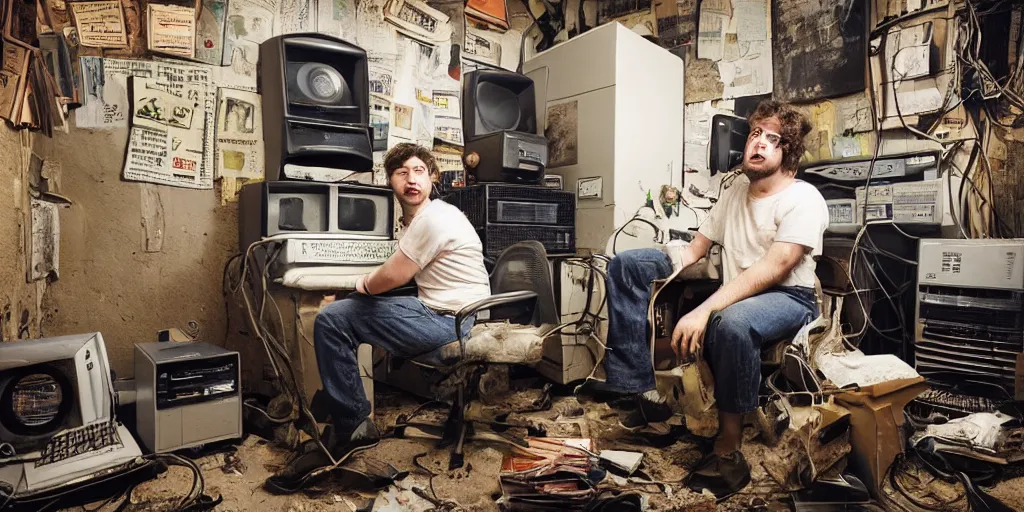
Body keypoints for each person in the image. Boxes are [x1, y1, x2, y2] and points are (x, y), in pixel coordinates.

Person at [596, 100, 828, 500]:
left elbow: (776, 266)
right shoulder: (736, 191)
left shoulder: (804, 199)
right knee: (627, 264)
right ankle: (643, 395)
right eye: (756, 134)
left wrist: (705, 310)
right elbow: (696, 250)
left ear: (787, 153)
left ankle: (729, 446)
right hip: (739, 292)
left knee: (730, 322)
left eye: (773, 140)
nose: (759, 144)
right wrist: (662, 269)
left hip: (790, 297)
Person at [266, 143, 492, 493]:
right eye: (402, 173)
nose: (411, 180)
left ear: (432, 177)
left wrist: (355, 289)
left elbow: (392, 277)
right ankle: (346, 413)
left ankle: (353, 424)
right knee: (345, 312)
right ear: (391, 182)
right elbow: (398, 280)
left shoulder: (433, 218)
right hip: (445, 311)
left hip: (452, 321)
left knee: (332, 320)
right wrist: (356, 295)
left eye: (419, 171)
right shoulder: (423, 219)